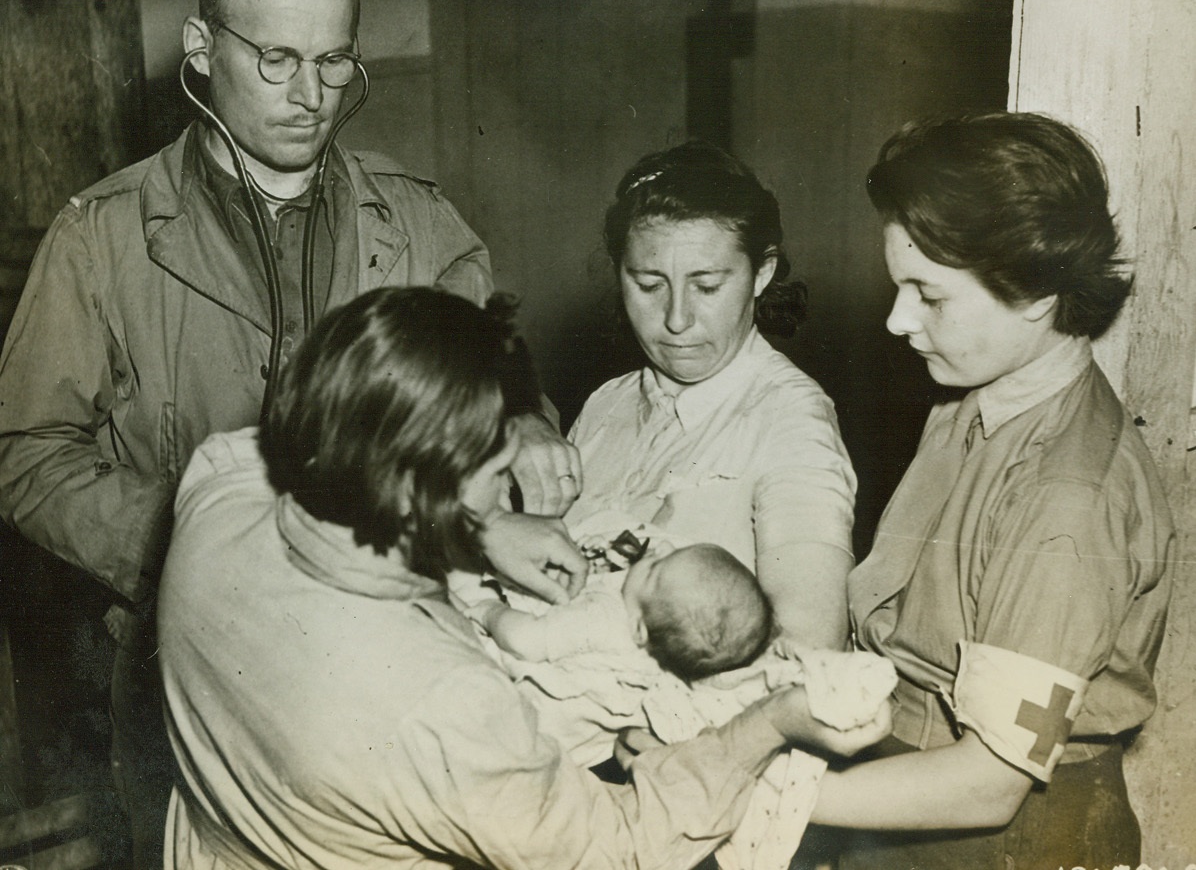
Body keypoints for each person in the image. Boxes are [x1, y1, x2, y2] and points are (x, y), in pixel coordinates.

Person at [0, 0, 581, 868]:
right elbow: (22, 450)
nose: (312, 97)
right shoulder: (97, 238)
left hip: (386, 662)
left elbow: (503, 396)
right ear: (201, 48)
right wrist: (184, 540)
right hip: (187, 675)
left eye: (335, 61)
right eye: (276, 60)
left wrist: (519, 433)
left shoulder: (420, 223)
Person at [157, 286, 889, 870]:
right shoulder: (441, 701)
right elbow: (622, 847)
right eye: (500, 474)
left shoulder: (217, 493)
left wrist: (482, 530)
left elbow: (275, 452)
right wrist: (770, 722)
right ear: (433, 489)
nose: (507, 487)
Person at [805, 112, 1175, 869]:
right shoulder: (973, 403)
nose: (897, 319)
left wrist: (754, 789)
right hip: (905, 795)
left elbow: (989, 784)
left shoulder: (1067, 498)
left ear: (1036, 291)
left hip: (1010, 840)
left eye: (929, 295)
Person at [566, 140, 857, 650]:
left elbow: (809, 647)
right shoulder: (603, 405)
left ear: (761, 274)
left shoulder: (790, 420)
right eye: (649, 284)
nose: (677, 320)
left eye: (707, 285)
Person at [469, 538, 773, 682]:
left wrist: (487, 609)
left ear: (639, 629)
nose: (662, 547)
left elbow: (526, 641)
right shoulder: (647, 611)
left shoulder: (607, 618)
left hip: (505, 649)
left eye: (654, 567)